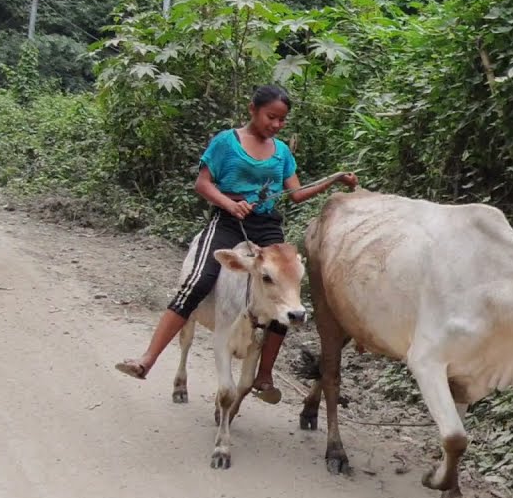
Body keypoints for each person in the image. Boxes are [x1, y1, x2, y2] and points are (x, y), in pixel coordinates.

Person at [114, 84, 358, 403]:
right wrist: (230, 204)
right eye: (271, 117)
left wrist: (335, 178)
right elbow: (202, 184)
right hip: (227, 222)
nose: (276, 124)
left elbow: (296, 194)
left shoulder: (281, 152)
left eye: (282, 120)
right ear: (252, 109)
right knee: (198, 281)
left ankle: (264, 375)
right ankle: (147, 359)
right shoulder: (226, 142)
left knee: (286, 293)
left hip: (266, 226)